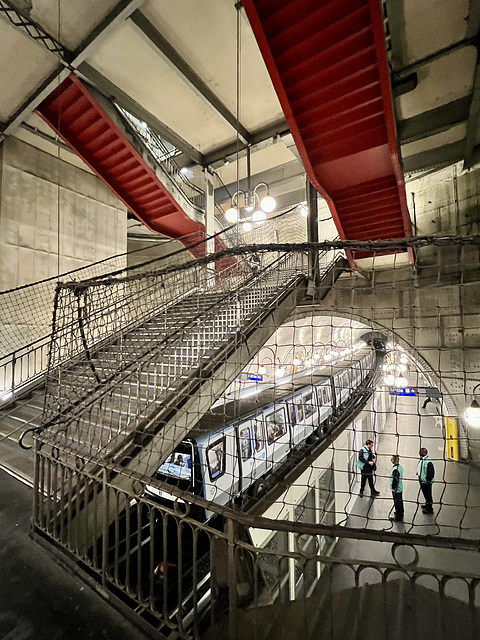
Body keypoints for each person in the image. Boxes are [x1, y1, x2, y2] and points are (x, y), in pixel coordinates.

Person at [417, 447, 435, 514]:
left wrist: (427, 480)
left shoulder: (428, 462)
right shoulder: (422, 460)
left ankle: (430, 508)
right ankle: (427, 505)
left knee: (428, 494)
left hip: (426, 482)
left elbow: (431, 473)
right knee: (425, 493)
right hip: (422, 480)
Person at [389, 455, 404, 521]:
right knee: (400, 501)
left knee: (397, 502)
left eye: (392, 459)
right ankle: (401, 512)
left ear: (395, 461)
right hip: (400, 487)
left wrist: (393, 488)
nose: (391, 460)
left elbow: (395, 480)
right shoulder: (399, 467)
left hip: (397, 489)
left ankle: (399, 516)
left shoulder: (395, 470)